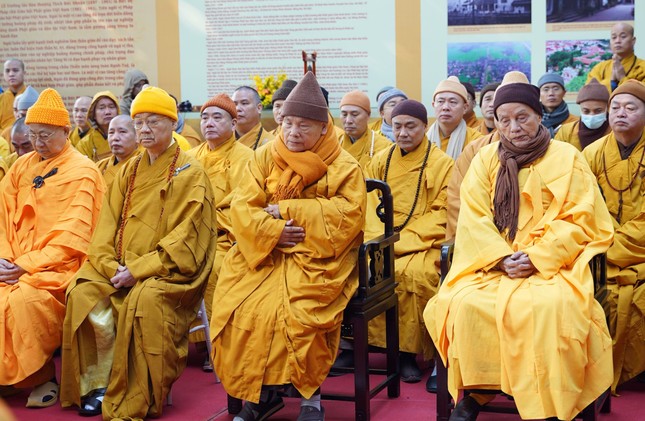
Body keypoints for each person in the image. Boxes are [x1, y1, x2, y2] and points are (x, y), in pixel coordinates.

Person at [425, 75, 614, 421]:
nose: (514, 128)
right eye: (504, 120)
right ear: (495, 122)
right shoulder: (485, 159)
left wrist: (537, 257)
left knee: (551, 307)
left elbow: (580, 220)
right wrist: (500, 258)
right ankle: (479, 390)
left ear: (539, 115)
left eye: (522, 117)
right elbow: (473, 218)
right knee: (462, 304)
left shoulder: (567, 157)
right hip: (493, 264)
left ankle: (552, 399)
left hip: (552, 265)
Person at [211, 72, 366, 421]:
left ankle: (311, 398)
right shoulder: (264, 156)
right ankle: (261, 396)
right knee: (240, 309)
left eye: (304, 126)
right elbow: (242, 206)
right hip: (264, 254)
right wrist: (273, 232)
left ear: (323, 128)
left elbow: (349, 216)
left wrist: (287, 210)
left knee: (299, 314)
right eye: (288, 124)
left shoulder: (344, 165)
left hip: (319, 258)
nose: (293, 133)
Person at [60, 86, 216, 419]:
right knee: (82, 290)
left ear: (172, 123)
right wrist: (109, 266)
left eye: (152, 122)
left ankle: (132, 391)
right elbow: (105, 226)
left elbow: (186, 239)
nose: (144, 130)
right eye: (139, 123)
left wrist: (139, 270)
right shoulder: (128, 170)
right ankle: (97, 385)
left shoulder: (191, 172)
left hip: (168, 272)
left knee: (145, 301)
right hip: (119, 267)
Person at [0, 88, 106, 408]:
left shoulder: (83, 171)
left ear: (66, 131)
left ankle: (41, 377)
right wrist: (5, 259)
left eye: (45, 135)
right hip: (13, 262)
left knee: (24, 300)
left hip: (60, 267)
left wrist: (27, 265)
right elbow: (2, 215)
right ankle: (10, 377)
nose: (38, 143)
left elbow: (75, 234)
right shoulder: (21, 167)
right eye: (33, 135)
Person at [363, 99, 453, 383]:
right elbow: (366, 202)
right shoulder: (380, 160)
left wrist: (402, 241)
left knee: (413, 274)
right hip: (381, 235)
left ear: (425, 126)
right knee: (359, 269)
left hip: (422, 241)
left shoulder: (442, 163)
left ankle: (406, 353)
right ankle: (363, 345)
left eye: (411, 126)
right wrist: (381, 239)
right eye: (397, 126)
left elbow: (443, 211)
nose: (402, 133)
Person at [582, 79, 645, 393]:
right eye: (615, 107)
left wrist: (612, 245)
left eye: (631, 107)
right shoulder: (591, 153)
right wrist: (601, 241)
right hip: (598, 248)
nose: (621, 113)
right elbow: (579, 206)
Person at [186, 93, 252, 368]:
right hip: (188, 236)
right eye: (204, 117)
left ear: (234, 124)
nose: (209, 123)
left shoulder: (247, 158)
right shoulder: (188, 158)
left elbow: (244, 205)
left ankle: (216, 344)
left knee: (214, 269)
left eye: (217, 117)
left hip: (226, 238)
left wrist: (207, 221)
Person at [429, 76, 482, 160]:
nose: (445, 107)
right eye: (440, 101)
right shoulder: (423, 138)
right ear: (433, 105)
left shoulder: (477, 140)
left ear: (465, 108)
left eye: (453, 102)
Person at [338, 90, 391, 169]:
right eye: (344, 114)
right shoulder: (335, 143)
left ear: (368, 115)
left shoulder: (384, 146)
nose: (348, 120)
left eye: (354, 114)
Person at [555, 78, 611, 150]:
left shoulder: (615, 132)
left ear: (607, 108)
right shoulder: (565, 132)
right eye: (586, 111)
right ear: (580, 109)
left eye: (598, 111)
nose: (591, 115)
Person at [587, 23, 645, 92]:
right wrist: (611, 81)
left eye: (623, 37)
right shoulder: (599, 68)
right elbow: (588, 93)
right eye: (614, 37)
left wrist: (622, 78)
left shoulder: (643, 67)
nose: (617, 41)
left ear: (633, 41)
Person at [96, 115, 140, 188]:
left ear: (137, 136)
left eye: (122, 132)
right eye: (111, 132)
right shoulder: (100, 166)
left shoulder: (141, 165)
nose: (115, 138)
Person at [75, 91, 119, 162]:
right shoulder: (84, 144)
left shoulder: (129, 137)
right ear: (93, 114)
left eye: (111, 107)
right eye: (102, 108)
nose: (107, 112)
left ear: (118, 111)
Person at [538, 72, 577, 136]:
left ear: (564, 93)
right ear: (538, 94)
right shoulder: (533, 121)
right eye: (546, 89)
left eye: (556, 89)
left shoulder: (575, 122)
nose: (551, 93)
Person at [0, 117, 33, 182]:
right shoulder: (8, 163)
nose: (20, 153)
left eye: (26, 146)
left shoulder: (48, 162)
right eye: (16, 146)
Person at [0, 59, 26, 131]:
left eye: (15, 70)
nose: (11, 74)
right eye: (7, 71)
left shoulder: (32, 98)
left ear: (24, 73)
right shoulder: (1, 98)